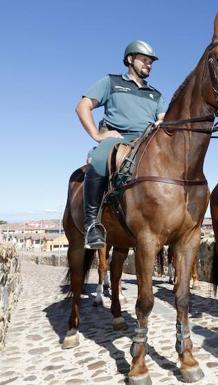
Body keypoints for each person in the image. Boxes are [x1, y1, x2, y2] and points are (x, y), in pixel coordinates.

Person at [76, 40, 166, 249]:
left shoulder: (156, 94)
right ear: (130, 59)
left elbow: (163, 116)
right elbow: (83, 106)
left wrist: (163, 121)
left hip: (148, 140)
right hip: (118, 138)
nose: (148, 64)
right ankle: (92, 224)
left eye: (151, 62)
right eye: (144, 60)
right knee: (99, 158)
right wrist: (98, 135)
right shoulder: (111, 82)